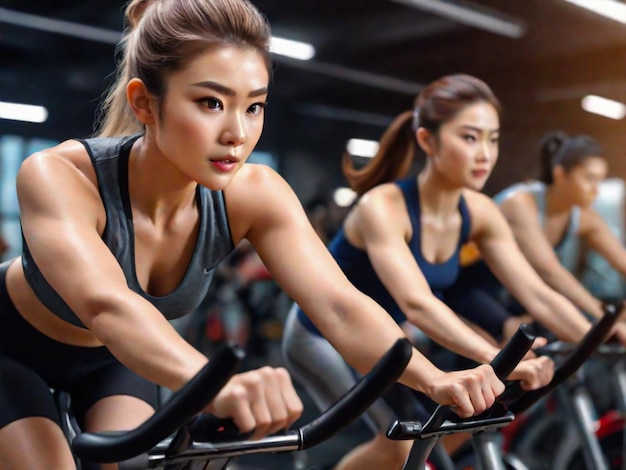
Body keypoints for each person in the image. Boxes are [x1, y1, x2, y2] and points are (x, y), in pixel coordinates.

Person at [0, 2, 508, 469]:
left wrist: (433, 378)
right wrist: (215, 386)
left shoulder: (255, 192)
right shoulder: (59, 175)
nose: (237, 134)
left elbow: (337, 305)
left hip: (113, 362)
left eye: (254, 106)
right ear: (145, 103)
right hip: (11, 349)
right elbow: (107, 306)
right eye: (210, 103)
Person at [282, 74, 587, 470]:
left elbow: (537, 291)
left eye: (493, 139)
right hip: (319, 335)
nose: (485, 154)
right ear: (428, 141)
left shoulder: (479, 212)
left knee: (460, 423)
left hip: (386, 339)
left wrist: (591, 335)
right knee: (395, 444)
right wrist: (495, 356)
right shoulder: (383, 206)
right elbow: (418, 302)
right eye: (470, 138)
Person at [447, 131, 626, 342]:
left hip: (517, 293)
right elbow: (550, 271)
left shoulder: (584, 215)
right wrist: (605, 317)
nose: (596, 189)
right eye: (589, 178)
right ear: (560, 174)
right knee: (522, 341)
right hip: (469, 287)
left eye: (600, 180)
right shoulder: (520, 203)